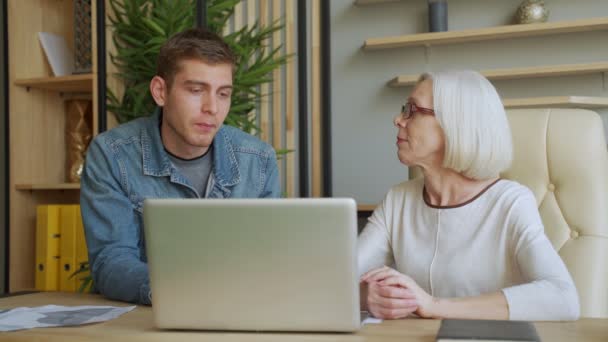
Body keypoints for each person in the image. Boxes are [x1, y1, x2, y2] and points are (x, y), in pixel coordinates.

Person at [358, 70, 579, 321]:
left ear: (453, 123)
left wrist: (434, 306)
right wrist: (365, 295)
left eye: (412, 109)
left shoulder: (510, 202)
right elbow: (335, 279)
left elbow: (563, 298)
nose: (398, 119)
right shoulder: (398, 200)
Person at [80, 28, 280, 305]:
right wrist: (184, 291)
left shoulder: (258, 159)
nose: (212, 107)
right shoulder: (112, 154)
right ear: (161, 92)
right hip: (151, 319)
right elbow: (111, 262)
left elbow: (267, 258)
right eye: (197, 90)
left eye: (223, 94)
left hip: (240, 313)